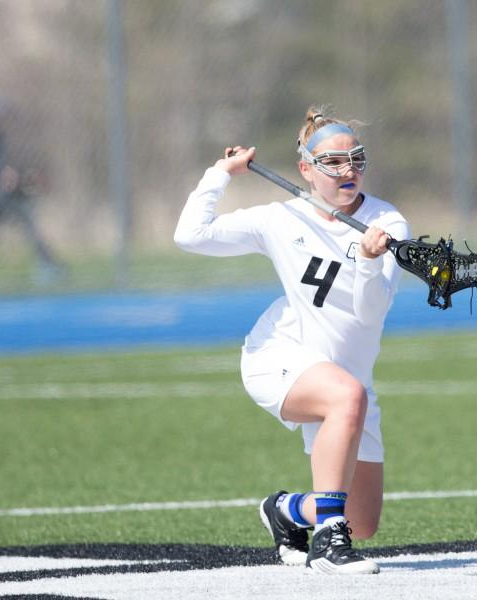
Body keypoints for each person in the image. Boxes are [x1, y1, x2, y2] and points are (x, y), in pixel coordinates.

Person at [174, 107, 410, 575]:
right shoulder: (279, 218)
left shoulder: (386, 221)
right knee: (347, 397)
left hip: (348, 379)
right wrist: (221, 173)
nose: (349, 172)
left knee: (361, 520)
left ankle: (284, 510)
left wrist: (366, 259)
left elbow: (369, 312)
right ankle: (326, 545)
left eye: (357, 160)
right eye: (333, 163)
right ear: (305, 169)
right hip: (279, 356)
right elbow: (190, 235)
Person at [0, 99, 64, 285]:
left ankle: (47, 265)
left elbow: (8, 174)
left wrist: (19, 179)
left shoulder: (2, 140)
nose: (2, 122)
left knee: (26, 218)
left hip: (2, 199)